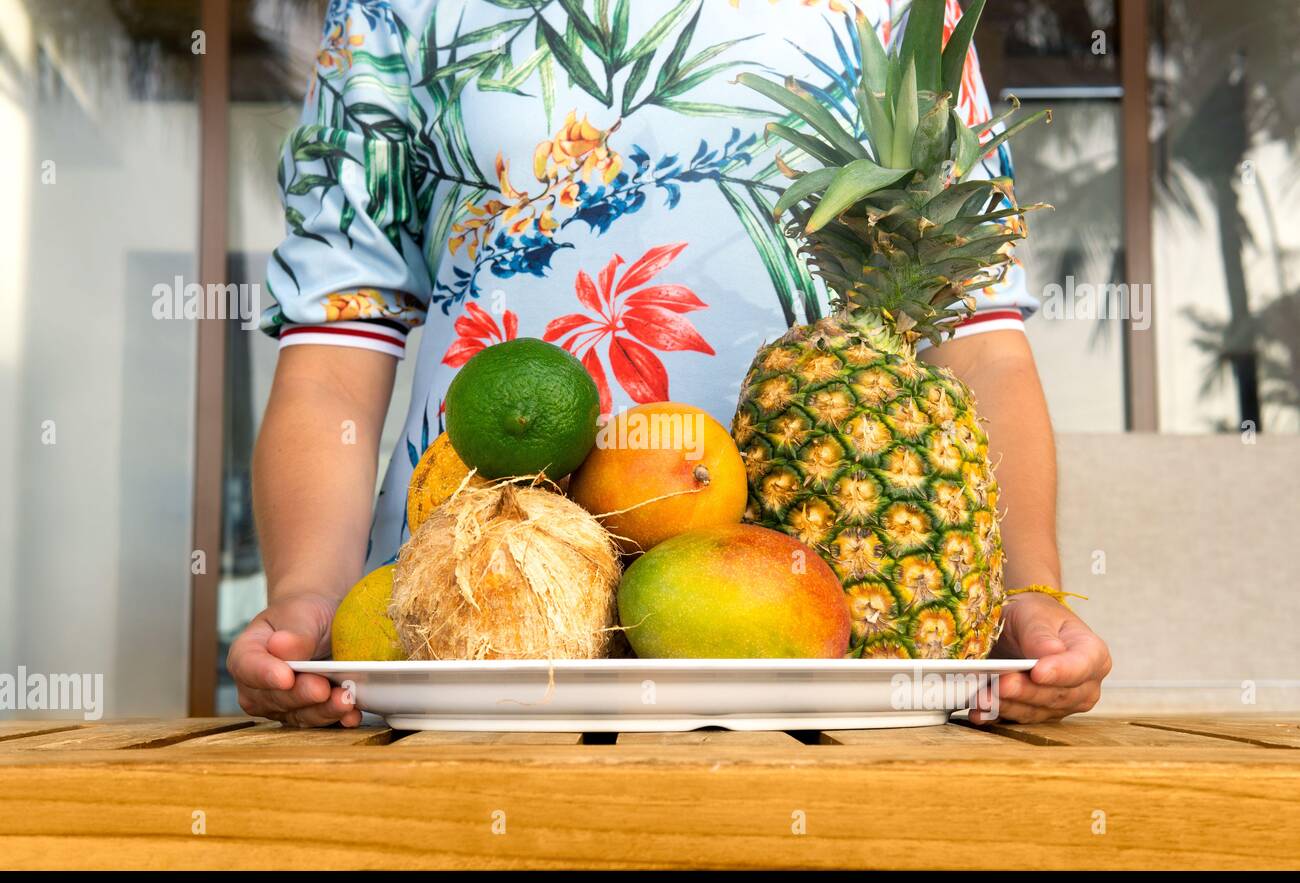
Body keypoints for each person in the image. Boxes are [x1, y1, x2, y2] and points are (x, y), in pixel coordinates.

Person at [229, 0, 1111, 727]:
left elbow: (980, 341)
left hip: (824, 648)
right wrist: (307, 595)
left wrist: (1028, 593)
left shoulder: (904, 12)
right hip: (475, 627)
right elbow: (337, 347)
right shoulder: (395, 10)